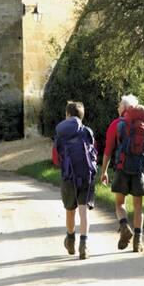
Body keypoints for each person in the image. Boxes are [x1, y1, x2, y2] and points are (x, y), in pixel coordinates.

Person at [100, 95, 144, 253]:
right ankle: (138, 242)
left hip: (122, 168)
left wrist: (104, 171)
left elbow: (108, 150)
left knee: (119, 203)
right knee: (138, 207)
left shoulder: (117, 125)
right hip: (140, 171)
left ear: (125, 108)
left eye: (119, 105)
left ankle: (124, 226)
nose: (118, 107)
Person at [52, 101, 98, 259]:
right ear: (81, 116)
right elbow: (94, 153)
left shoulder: (61, 133)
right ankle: (83, 244)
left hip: (68, 177)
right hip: (86, 175)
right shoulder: (87, 131)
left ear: (67, 115)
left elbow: (55, 159)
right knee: (83, 212)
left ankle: (70, 239)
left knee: (70, 211)